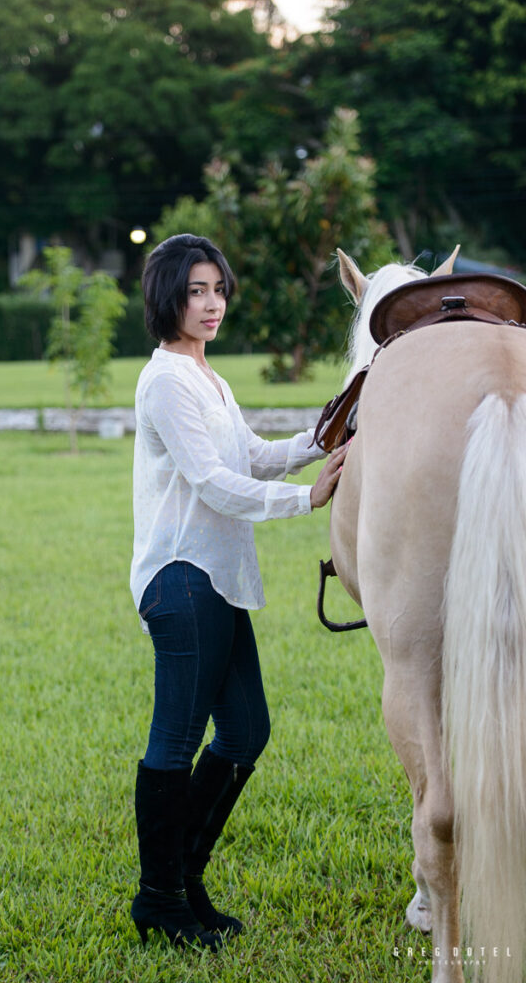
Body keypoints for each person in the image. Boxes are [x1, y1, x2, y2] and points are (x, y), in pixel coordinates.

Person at [129, 234, 348, 950]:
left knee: (248, 731)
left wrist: (326, 436)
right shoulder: (165, 379)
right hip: (182, 578)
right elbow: (212, 483)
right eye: (196, 290)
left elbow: (250, 455)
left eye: (217, 288)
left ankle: (181, 881)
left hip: (216, 579)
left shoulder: (207, 377)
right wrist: (304, 501)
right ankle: (161, 900)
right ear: (167, 295)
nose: (212, 302)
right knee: (177, 739)